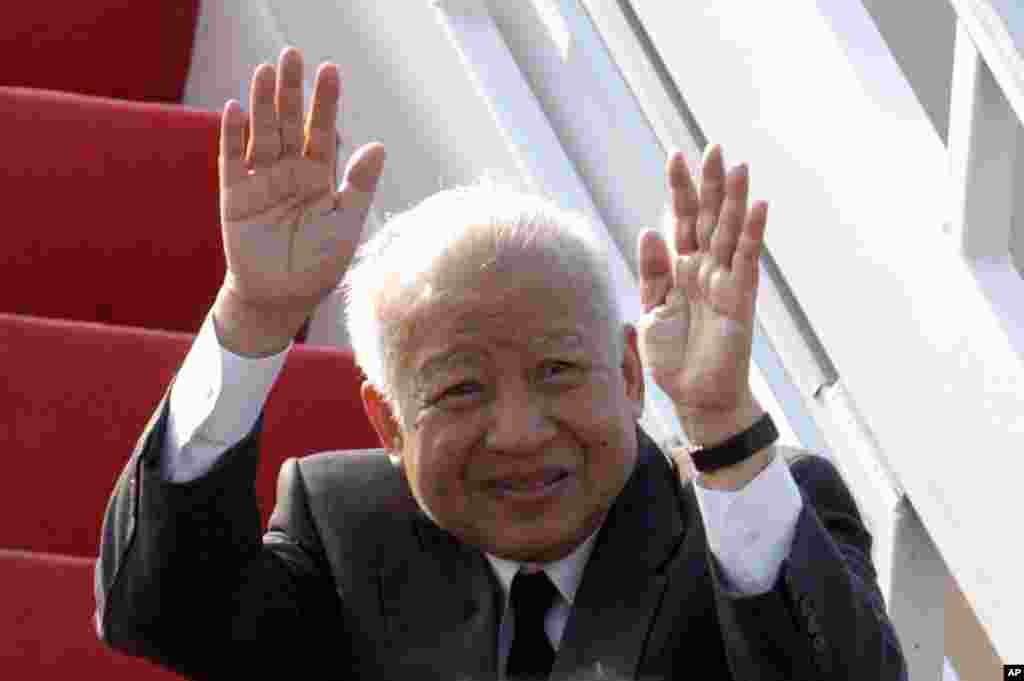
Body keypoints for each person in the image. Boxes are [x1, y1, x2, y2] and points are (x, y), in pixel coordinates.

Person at [95, 47, 906, 681]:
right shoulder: (346, 527)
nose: (518, 432)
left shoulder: (748, 517)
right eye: (460, 389)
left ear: (629, 375)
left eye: (558, 371)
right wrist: (256, 317)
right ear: (387, 421)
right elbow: (162, 610)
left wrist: (724, 426)